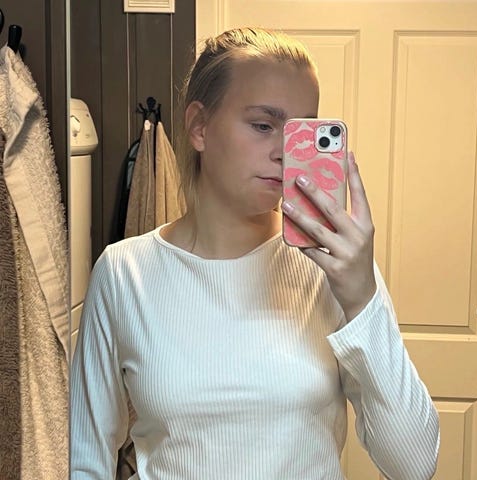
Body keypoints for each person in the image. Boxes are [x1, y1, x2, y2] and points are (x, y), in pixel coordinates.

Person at [71, 27, 440, 480]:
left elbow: (414, 465)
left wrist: (363, 299)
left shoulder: (334, 269)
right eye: (264, 125)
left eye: (301, 130)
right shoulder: (123, 273)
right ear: (199, 126)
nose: (286, 152)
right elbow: (86, 461)